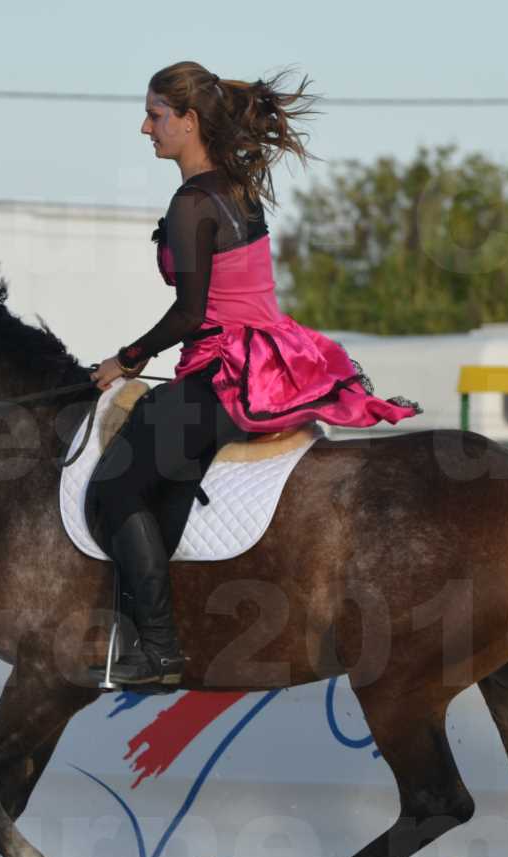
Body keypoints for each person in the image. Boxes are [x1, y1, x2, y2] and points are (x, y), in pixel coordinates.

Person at [84, 61, 419, 688]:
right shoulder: (236, 188)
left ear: (187, 121)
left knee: (115, 491)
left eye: (156, 115)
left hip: (225, 370)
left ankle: (158, 649)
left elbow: (190, 312)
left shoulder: (192, 202)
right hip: (272, 355)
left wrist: (125, 361)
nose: (144, 127)